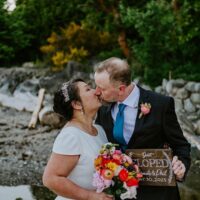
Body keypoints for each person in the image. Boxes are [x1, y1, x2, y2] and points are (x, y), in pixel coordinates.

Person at [94, 57, 191, 200]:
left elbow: (181, 146)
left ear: (121, 89)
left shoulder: (160, 104)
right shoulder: (103, 108)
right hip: (119, 192)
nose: (96, 92)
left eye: (101, 88)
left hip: (158, 193)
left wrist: (181, 165)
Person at [43, 78, 113, 200]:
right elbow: (50, 179)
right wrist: (90, 196)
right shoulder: (70, 136)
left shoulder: (99, 130)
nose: (96, 91)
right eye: (88, 89)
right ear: (76, 104)